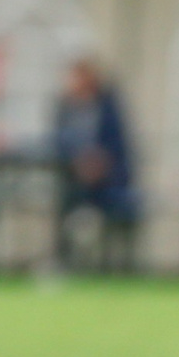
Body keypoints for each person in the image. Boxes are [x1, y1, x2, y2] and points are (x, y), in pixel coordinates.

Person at [51, 57, 137, 272]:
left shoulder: (108, 107)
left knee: (120, 205)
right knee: (65, 198)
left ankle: (111, 268)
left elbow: (119, 147)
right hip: (74, 181)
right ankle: (63, 262)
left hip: (109, 182)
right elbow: (59, 143)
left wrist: (101, 164)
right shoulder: (65, 108)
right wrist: (77, 163)